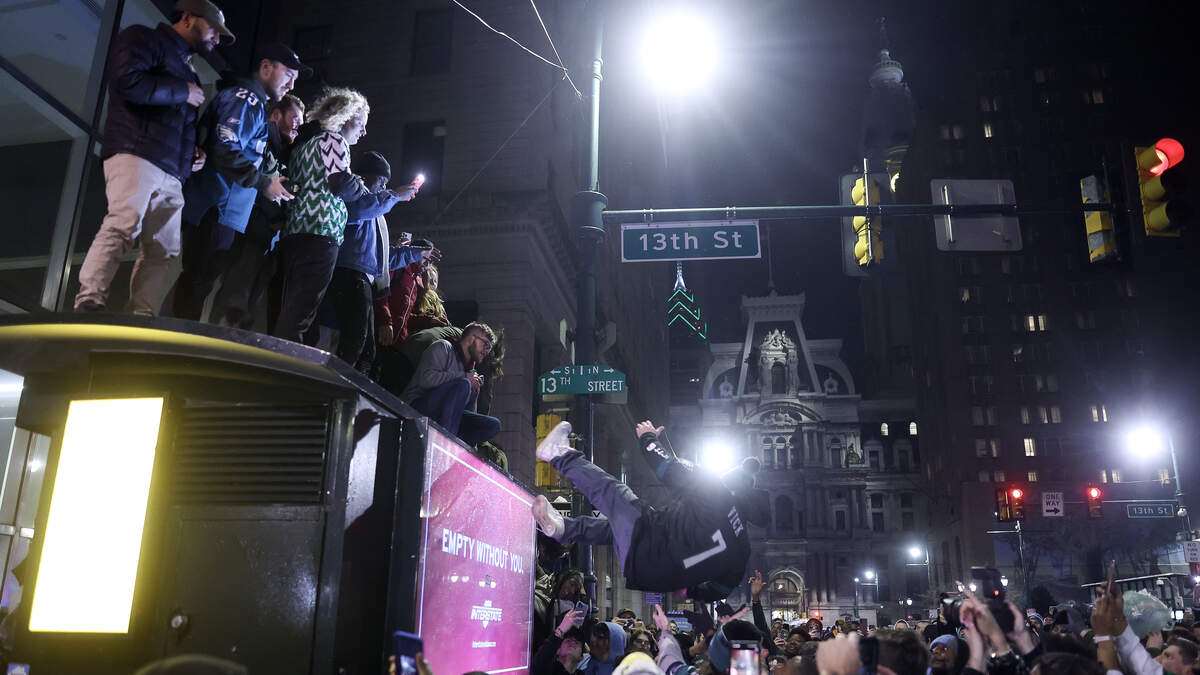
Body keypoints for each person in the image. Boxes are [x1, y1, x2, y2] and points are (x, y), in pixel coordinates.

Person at [74, 0, 233, 314]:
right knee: (123, 225)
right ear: (188, 18)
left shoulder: (189, 71)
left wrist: (192, 156)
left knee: (164, 248)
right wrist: (182, 92)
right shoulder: (142, 38)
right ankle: (90, 300)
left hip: (172, 170)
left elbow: (179, 123)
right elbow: (127, 82)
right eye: (213, 30)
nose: (216, 39)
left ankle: (142, 313)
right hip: (136, 151)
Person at [532, 419, 768, 602]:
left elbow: (668, 468)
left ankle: (559, 455)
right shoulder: (741, 551)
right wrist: (687, 590)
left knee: (614, 493)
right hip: (651, 577)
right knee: (615, 528)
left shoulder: (720, 494)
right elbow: (720, 590)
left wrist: (647, 438)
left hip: (647, 542)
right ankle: (564, 528)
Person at [171, 41, 305, 320]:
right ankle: (174, 348)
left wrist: (265, 181)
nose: (291, 85)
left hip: (225, 212)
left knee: (201, 281)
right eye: (289, 76)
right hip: (215, 206)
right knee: (197, 281)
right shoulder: (247, 99)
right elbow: (225, 147)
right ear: (266, 67)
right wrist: (263, 182)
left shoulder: (253, 101)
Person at [272, 87, 371, 343]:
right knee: (301, 313)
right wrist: (358, 186)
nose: (364, 132)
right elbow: (341, 185)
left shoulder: (302, 146)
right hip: (321, 232)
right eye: (361, 124)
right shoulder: (334, 141)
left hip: (295, 232)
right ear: (345, 118)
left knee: (290, 307)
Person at [207, 94, 304, 330]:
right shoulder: (264, 139)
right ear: (276, 114)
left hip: (262, 233)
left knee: (246, 296)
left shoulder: (282, 150)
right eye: (295, 118)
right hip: (250, 228)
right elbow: (266, 183)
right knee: (234, 294)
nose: (298, 127)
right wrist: (278, 209)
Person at [322, 151, 422, 372]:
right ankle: (337, 383)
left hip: (364, 278)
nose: (384, 185)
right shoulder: (355, 197)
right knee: (354, 340)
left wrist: (417, 254)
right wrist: (394, 195)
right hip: (349, 274)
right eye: (382, 180)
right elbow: (362, 209)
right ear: (366, 176)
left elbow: (383, 258)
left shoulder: (377, 213)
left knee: (367, 349)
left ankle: (354, 390)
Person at [399, 322, 502, 446]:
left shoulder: (471, 373)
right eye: (485, 344)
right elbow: (426, 380)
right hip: (416, 407)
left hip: (446, 419)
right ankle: (445, 446)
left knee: (493, 425)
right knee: (463, 384)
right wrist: (464, 377)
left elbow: (466, 412)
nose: (487, 350)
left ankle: (458, 451)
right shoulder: (443, 347)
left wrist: (474, 391)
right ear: (471, 338)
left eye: (489, 348)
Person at [534, 609, 589, 675]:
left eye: (577, 641)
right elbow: (538, 664)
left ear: (581, 657)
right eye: (568, 640)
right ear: (557, 650)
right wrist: (561, 630)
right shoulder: (547, 670)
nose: (573, 642)